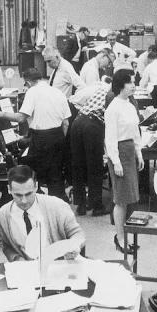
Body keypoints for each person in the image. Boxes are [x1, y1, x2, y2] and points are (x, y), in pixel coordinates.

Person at [0, 68, 71, 199]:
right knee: (55, 174)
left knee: (33, 172)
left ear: (28, 83)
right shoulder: (58, 92)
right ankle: (58, 203)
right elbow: (66, 123)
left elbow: (21, 118)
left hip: (41, 139)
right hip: (58, 136)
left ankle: (36, 199)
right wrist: (59, 139)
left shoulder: (32, 92)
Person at [0, 165, 84, 262]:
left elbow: (77, 234)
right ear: (9, 189)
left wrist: (74, 245)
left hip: (58, 264)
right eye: (18, 195)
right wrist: (17, 259)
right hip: (25, 268)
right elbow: (6, 245)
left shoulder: (57, 206)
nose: (24, 201)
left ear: (36, 186)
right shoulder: (3, 214)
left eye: (28, 194)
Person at [104, 72, 144, 255]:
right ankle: (119, 237)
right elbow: (110, 139)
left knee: (132, 198)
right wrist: (116, 162)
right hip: (119, 153)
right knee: (121, 199)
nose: (133, 85)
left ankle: (126, 235)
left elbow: (135, 131)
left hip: (130, 151)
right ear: (121, 85)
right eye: (131, 83)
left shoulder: (130, 105)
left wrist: (139, 153)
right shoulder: (113, 108)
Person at [69, 81, 110, 217]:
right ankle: (96, 206)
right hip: (93, 126)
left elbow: (74, 100)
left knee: (78, 165)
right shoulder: (114, 95)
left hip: (78, 121)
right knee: (95, 166)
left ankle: (80, 205)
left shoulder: (99, 88)